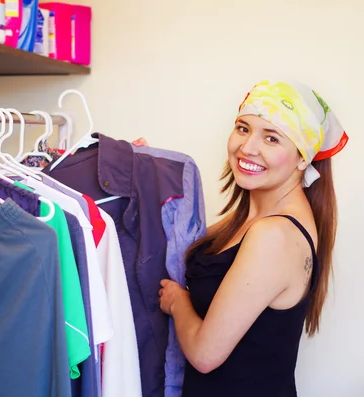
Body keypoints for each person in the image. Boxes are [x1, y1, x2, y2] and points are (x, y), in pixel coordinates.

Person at [133, 79, 348, 396]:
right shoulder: (247, 221)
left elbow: (205, 355)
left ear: (304, 158)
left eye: (272, 138)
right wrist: (148, 175)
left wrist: (179, 303)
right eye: (243, 128)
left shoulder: (274, 234)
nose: (247, 147)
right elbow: (187, 248)